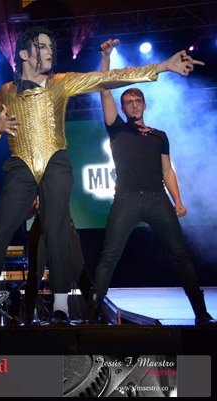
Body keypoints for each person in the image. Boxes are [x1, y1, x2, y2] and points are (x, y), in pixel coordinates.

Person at [0, 26, 203, 326]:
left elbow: (107, 79)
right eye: (42, 46)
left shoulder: (61, 83)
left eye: (51, 46)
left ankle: (61, 306)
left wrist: (163, 66)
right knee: (1, 227)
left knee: (57, 229)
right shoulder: (5, 91)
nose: (50, 51)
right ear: (24, 54)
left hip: (56, 162)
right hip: (21, 164)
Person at [89, 39, 214, 325]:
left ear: (144, 105)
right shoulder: (117, 129)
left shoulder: (159, 135)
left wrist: (178, 201)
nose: (133, 105)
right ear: (123, 108)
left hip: (158, 198)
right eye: (128, 102)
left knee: (180, 255)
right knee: (109, 256)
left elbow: (167, 171)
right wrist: (106, 58)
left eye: (137, 101)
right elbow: (104, 89)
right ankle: (93, 315)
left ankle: (201, 313)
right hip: (127, 199)